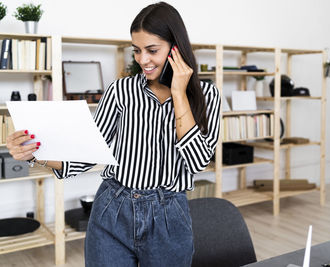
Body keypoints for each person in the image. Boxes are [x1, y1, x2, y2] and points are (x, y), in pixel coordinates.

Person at [6, 2, 221, 266]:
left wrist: (179, 94)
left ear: (176, 48)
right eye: (137, 50)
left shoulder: (207, 96)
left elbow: (198, 162)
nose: (143, 60)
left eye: (152, 50)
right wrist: (35, 154)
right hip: (112, 208)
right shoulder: (121, 90)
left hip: (170, 216)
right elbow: (88, 153)